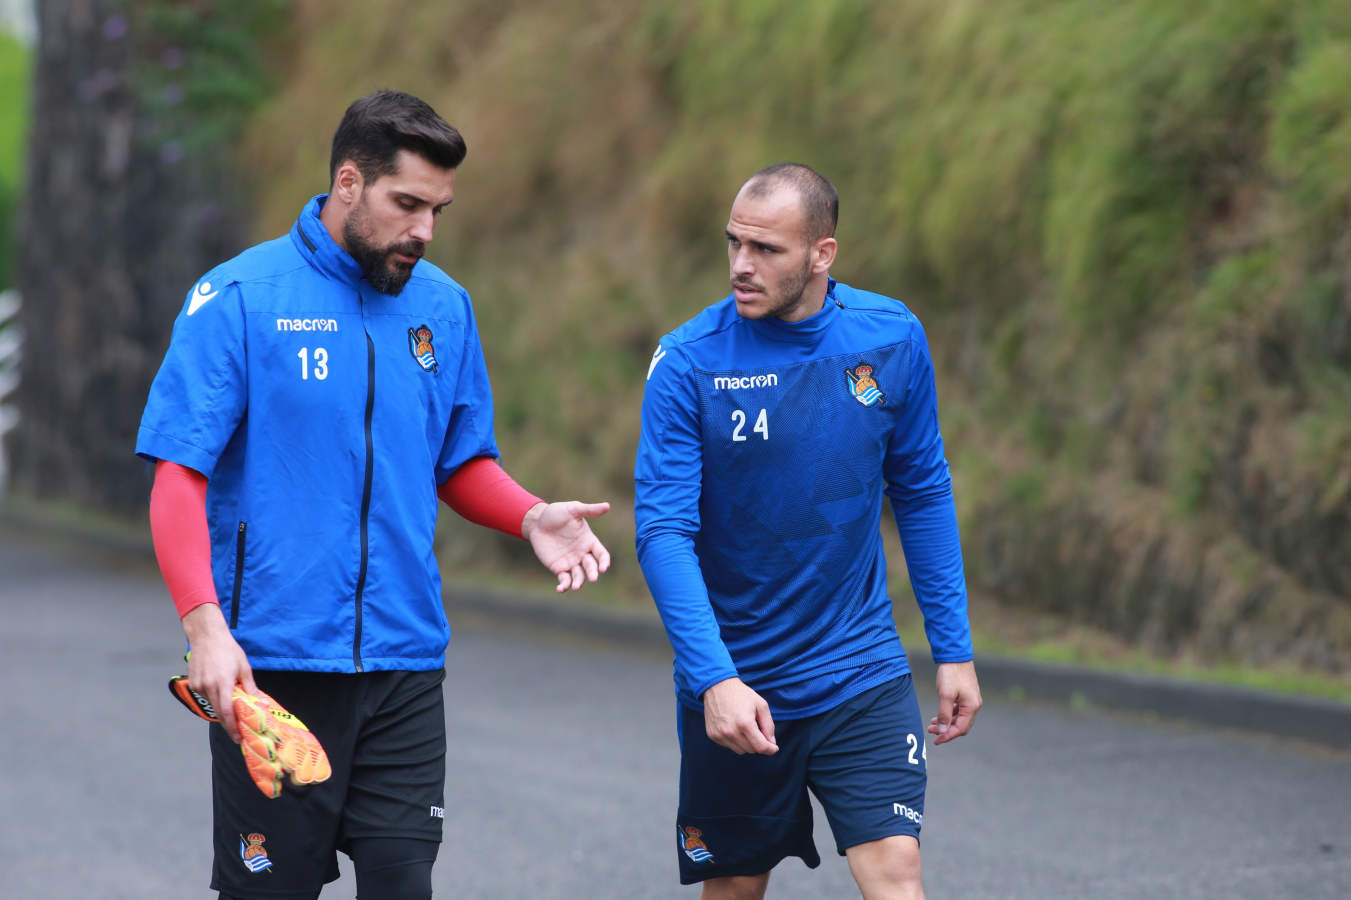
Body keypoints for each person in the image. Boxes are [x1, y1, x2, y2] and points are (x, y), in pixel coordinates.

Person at [136, 89, 611, 899]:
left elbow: (459, 463)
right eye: (407, 204)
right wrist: (207, 631)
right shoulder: (241, 299)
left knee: (402, 882)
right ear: (348, 183)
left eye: (438, 210)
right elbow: (179, 473)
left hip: (403, 663)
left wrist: (528, 514)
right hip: (272, 668)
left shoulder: (443, 309)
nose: (424, 230)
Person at [634, 163, 981, 900]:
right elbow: (662, 530)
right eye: (733, 243)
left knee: (896, 870)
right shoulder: (688, 362)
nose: (740, 265)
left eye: (766, 250)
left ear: (822, 255)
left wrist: (952, 649)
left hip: (860, 669)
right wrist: (715, 678)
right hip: (736, 687)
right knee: (734, 887)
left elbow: (920, 490)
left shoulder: (889, 337)